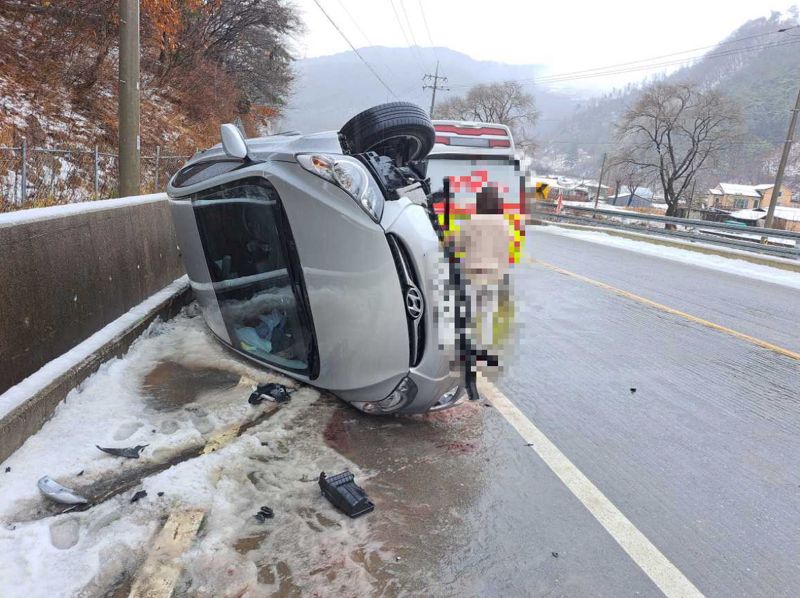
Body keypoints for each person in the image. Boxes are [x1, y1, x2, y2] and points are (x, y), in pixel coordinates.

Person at [455, 185, 514, 349]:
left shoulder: (470, 222)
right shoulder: (504, 225)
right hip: (494, 275)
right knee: (487, 313)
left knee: (470, 312)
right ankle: (484, 348)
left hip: (473, 273)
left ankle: (467, 349)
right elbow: (505, 250)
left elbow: (457, 246)